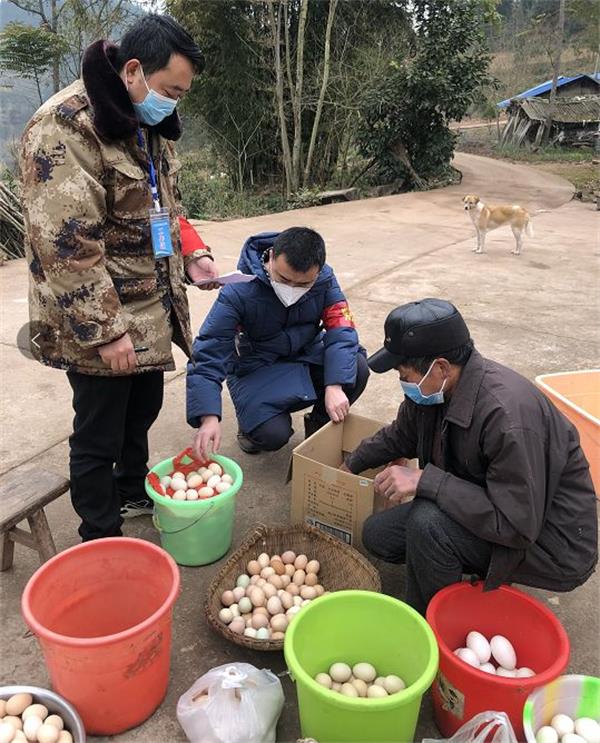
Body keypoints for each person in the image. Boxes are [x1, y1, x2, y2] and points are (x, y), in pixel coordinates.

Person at [20, 14, 219, 541]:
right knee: (99, 431)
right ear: (133, 70)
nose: (173, 104)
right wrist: (106, 331)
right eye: (171, 91)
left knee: (142, 409)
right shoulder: (65, 127)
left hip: (148, 308)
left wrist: (193, 253)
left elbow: (163, 204)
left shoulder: (145, 121)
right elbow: (65, 244)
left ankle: (131, 488)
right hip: (97, 317)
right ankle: (101, 533)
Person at [342, 298, 597, 615]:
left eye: (404, 374)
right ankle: (457, 562)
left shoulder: (507, 418)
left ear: (440, 367)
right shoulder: (433, 390)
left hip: (549, 542)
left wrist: (426, 481)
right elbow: (401, 435)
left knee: (427, 524)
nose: (403, 383)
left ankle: (433, 624)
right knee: (379, 534)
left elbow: (517, 524)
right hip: (494, 504)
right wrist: (352, 463)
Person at [187, 227, 369, 456]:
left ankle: (320, 425)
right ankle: (249, 428)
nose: (291, 289)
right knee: (271, 434)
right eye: (284, 279)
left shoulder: (325, 280)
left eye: (303, 284)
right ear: (271, 256)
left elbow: (342, 330)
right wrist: (208, 416)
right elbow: (209, 350)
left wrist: (335, 384)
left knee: (357, 368)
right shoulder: (239, 290)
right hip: (257, 365)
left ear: (318, 271)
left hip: (305, 354)